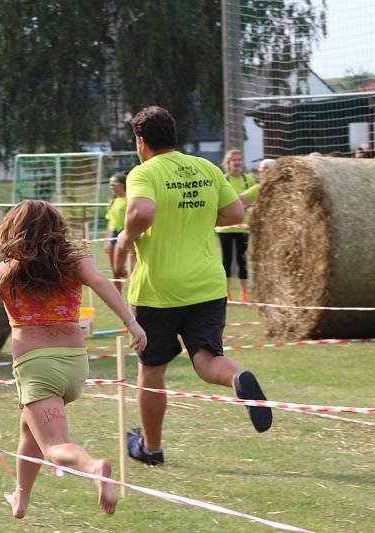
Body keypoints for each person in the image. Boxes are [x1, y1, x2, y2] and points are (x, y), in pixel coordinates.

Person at [0, 200, 147, 517]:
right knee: (29, 429)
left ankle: (93, 467)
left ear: (11, 232)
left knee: (54, 447)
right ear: (57, 230)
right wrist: (131, 322)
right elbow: (101, 282)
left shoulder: (2, 272)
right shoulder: (74, 262)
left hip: (37, 368)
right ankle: (21, 497)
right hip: (75, 364)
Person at [116, 106, 272, 467]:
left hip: (159, 289)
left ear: (141, 141)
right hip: (207, 285)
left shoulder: (144, 172)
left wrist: (126, 237)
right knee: (206, 359)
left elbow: (141, 213)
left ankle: (151, 448)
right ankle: (238, 377)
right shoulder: (206, 167)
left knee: (152, 370)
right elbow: (234, 214)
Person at [216, 149, 257, 302]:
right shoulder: (223, 180)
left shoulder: (249, 180)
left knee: (242, 260)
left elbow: (255, 200)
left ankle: (244, 294)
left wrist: (247, 208)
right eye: (234, 160)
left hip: (243, 226)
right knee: (226, 260)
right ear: (228, 163)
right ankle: (227, 293)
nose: (238, 162)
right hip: (225, 227)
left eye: (240, 159)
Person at [104, 173, 129, 292]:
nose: (111, 187)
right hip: (111, 236)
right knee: (115, 272)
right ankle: (118, 301)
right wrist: (106, 240)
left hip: (122, 234)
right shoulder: (112, 202)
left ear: (123, 185)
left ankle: (136, 279)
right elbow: (109, 222)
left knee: (119, 269)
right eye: (110, 184)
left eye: (113, 184)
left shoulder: (129, 199)